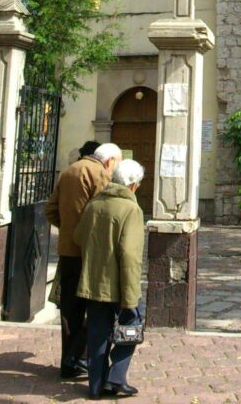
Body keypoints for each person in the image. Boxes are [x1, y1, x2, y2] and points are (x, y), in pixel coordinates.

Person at [45, 141, 122, 379]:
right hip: (92, 253)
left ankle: (67, 363)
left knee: (70, 309)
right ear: (109, 161)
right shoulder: (100, 174)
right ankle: (80, 358)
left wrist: (68, 229)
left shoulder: (69, 170)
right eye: (115, 165)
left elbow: (50, 210)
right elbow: (104, 212)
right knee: (98, 307)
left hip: (68, 251)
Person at [75, 158, 146, 399]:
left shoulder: (95, 204)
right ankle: (116, 378)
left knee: (97, 334)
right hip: (119, 284)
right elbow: (130, 255)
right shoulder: (131, 210)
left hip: (93, 281)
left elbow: (79, 236)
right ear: (133, 185)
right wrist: (130, 295)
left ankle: (95, 386)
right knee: (132, 327)